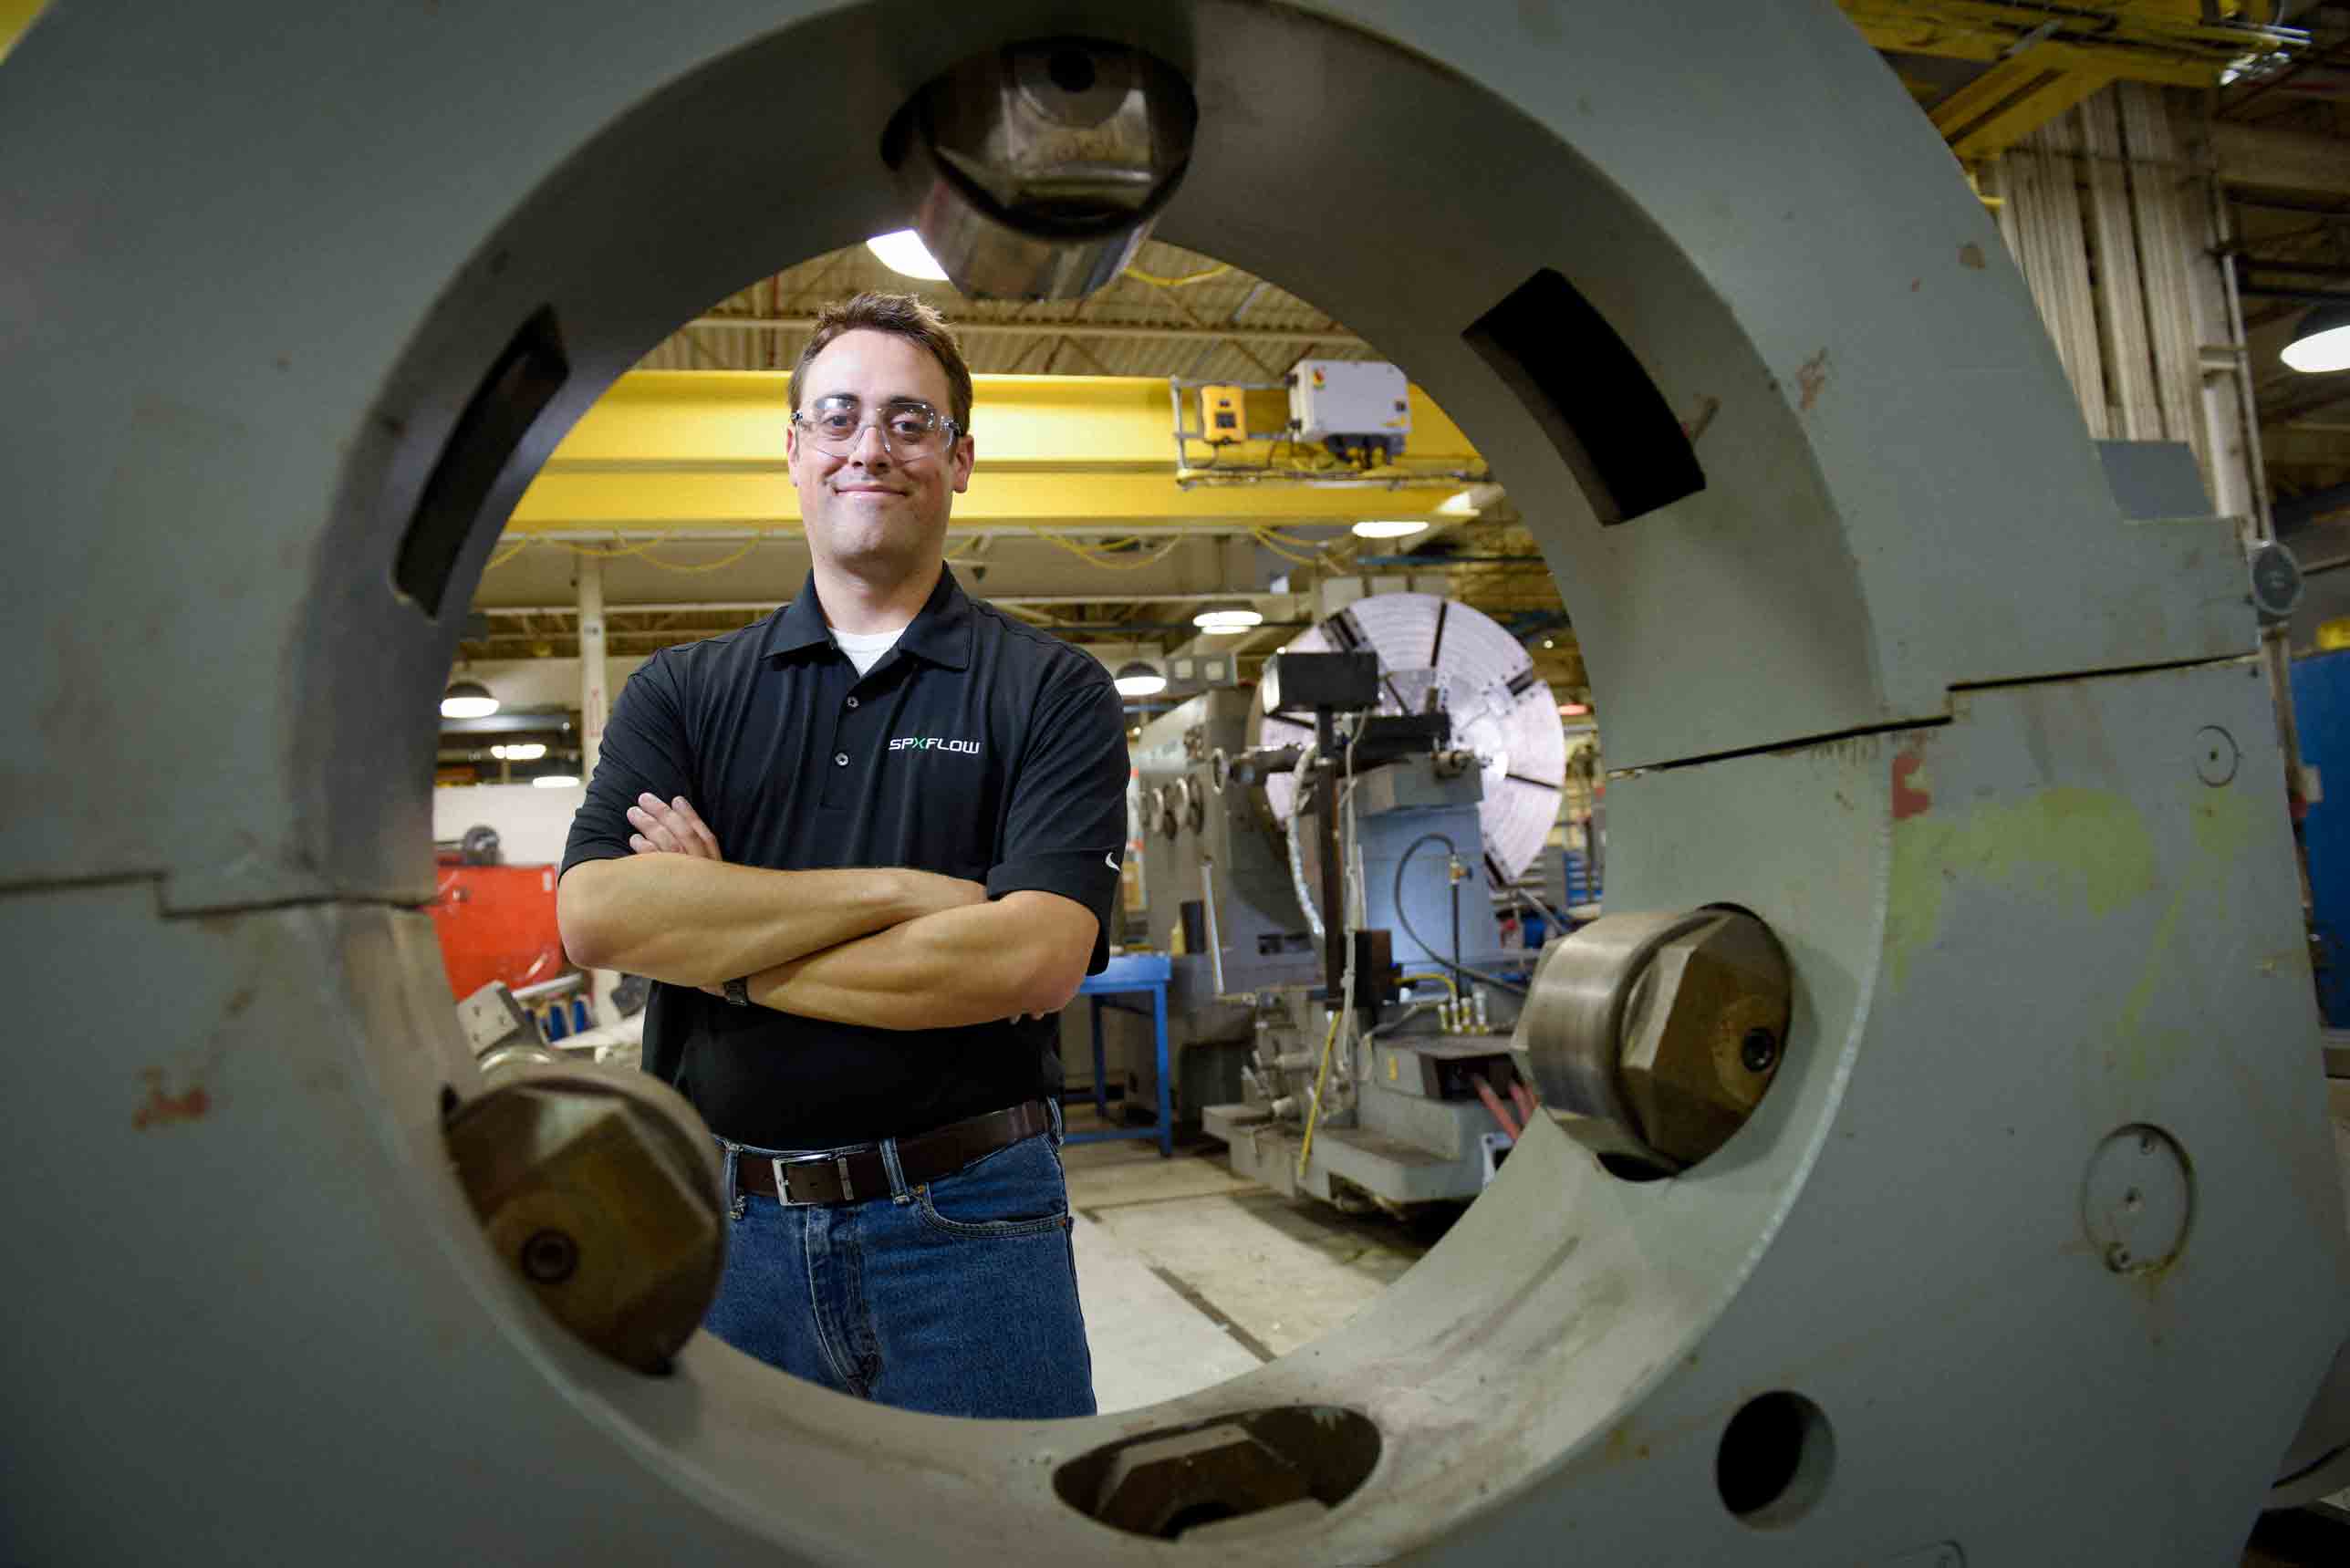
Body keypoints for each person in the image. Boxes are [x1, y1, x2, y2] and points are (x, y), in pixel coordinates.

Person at [555, 292, 1128, 1419]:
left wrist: (711, 933)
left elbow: (1031, 959)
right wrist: (906, 895)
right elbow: (597, 919)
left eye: (911, 421)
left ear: (960, 460)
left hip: (970, 1224)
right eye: (839, 416)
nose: (872, 446)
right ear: (795, 450)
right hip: (727, 1227)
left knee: (998, 1539)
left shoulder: (1051, 689)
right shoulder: (683, 692)